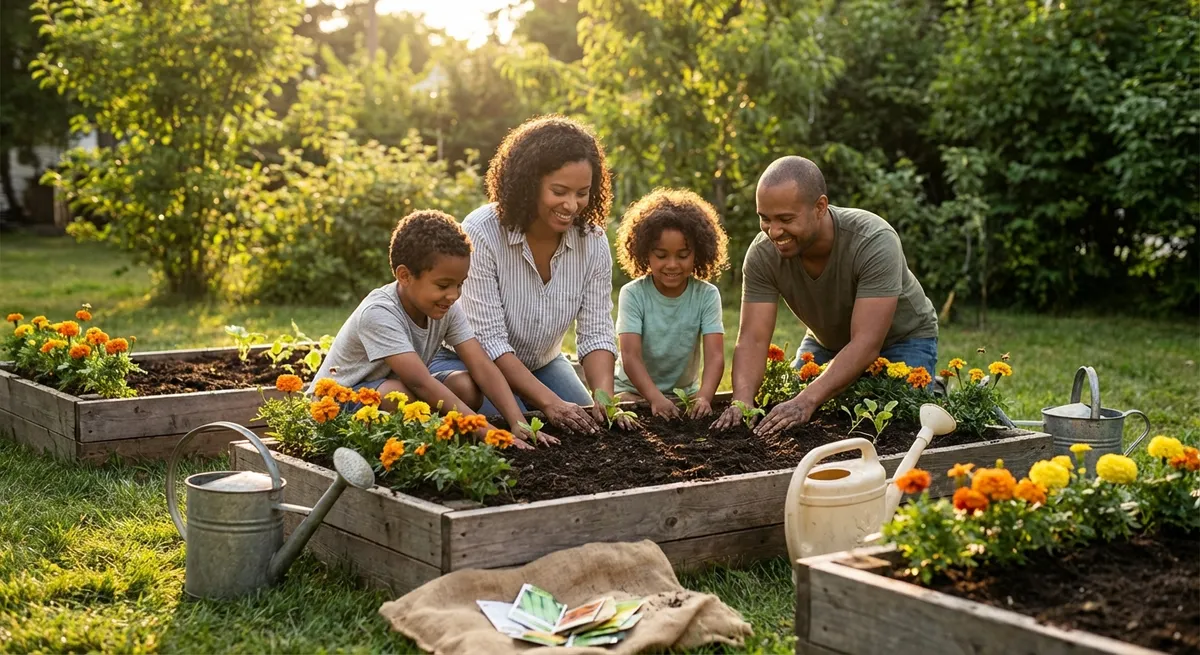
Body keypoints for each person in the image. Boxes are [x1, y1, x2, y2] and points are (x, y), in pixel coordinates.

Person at [428, 115, 630, 434]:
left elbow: (596, 331)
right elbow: (488, 342)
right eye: (560, 191)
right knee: (530, 433)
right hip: (468, 366)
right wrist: (549, 403)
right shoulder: (481, 233)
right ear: (530, 183)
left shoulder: (591, 241)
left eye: (582, 192)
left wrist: (604, 398)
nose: (572, 205)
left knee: (592, 426)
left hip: (543, 365)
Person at [712, 156, 939, 436]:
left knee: (885, 424)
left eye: (785, 219)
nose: (774, 231)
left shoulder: (873, 240)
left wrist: (806, 401)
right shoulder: (762, 254)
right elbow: (752, 338)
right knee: (788, 408)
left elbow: (867, 343)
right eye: (765, 218)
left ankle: (935, 390)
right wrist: (743, 403)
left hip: (902, 340)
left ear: (820, 207)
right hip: (827, 343)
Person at [311, 210, 545, 449]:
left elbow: (482, 365)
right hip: (335, 404)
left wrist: (518, 422)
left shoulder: (445, 308)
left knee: (467, 386)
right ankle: (425, 439)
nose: (454, 295)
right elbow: (420, 383)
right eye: (443, 285)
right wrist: (488, 432)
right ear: (404, 275)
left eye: (459, 284)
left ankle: (429, 436)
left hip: (396, 391)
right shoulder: (378, 312)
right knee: (398, 395)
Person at [612, 188, 728, 419]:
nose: (672, 264)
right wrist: (654, 398)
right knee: (626, 409)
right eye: (661, 255)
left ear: (698, 253)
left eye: (683, 255)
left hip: (683, 395)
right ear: (645, 253)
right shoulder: (633, 294)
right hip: (632, 392)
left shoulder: (706, 295)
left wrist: (704, 397)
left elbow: (715, 356)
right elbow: (630, 355)